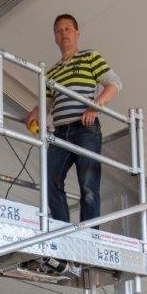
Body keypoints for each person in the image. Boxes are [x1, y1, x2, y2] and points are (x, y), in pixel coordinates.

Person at [25, 14, 122, 225]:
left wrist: (95, 106)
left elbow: (114, 83)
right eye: (59, 31)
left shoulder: (89, 57)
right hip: (60, 133)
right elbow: (48, 103)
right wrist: (35, 112)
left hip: (85, 129)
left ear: (77, 33)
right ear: (55, 38)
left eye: (68, 29)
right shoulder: (51, 72)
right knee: (49, 180)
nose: (63, 33)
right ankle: (63, 233)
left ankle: (90, 239)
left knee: (88, 186)